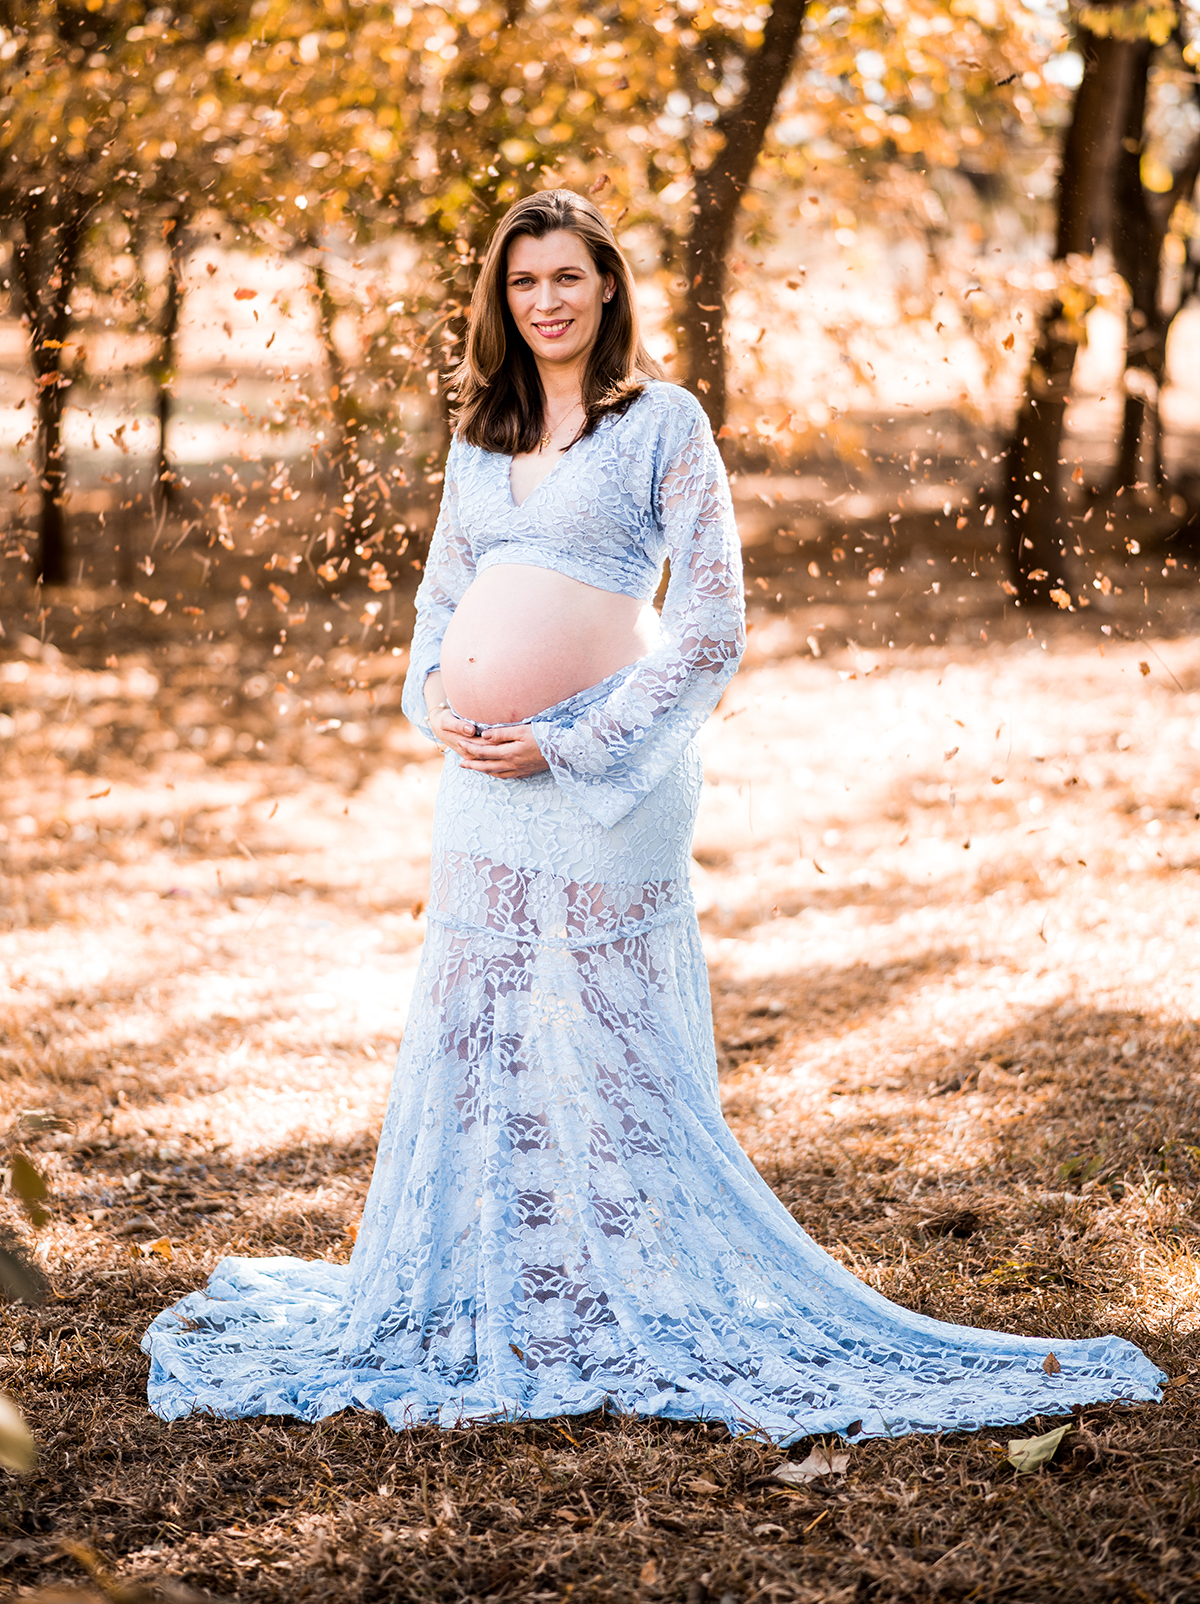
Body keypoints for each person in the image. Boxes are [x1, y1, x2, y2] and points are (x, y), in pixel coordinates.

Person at [144, 190, 1164, 1442]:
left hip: (605, 772)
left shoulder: (661, 423)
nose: (547, 301)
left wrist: (566, 738)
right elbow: (440, 604)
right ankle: (513, 1279)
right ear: (501, 299)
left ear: (609, 288)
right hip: (483, 783)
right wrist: (443, 707)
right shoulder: (479, 435)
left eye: (568, 277)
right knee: (482, 1022)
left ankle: (629, 1285)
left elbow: (713, 625)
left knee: (609, 1032)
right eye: (524, 282)